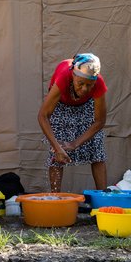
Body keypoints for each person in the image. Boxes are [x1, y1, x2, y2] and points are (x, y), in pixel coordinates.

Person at [38, 53, 108, 192]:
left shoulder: (99, 83)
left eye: (89, 85)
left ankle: (103, 198)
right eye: (80, 83)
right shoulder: (64, 77)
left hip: (86, 105)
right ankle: (55, 198)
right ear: (73, 75)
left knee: (97, 149)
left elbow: (100, 121)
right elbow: (43, 116)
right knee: (56, 151)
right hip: (61, 104)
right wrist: (58, 148)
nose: (84, 89)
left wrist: (74, 144)